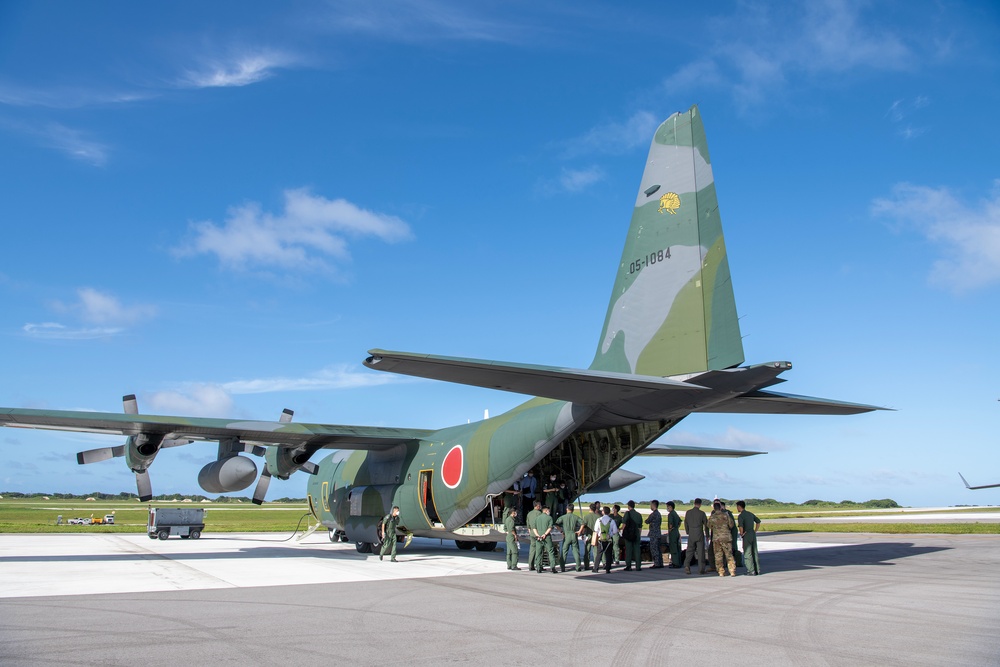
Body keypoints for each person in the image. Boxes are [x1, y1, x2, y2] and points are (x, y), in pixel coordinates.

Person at [708, 501, 736, 577]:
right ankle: (732, 571)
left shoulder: (712, 517)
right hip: (726, 538)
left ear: (714, 508)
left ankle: (721, 571)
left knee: (718, 556)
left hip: (716, 538)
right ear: (720, 507)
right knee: (729, 555)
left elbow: (709, 526)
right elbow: (731, 525)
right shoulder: (726, 515)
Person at [683, 498, 709, 574]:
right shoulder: (702, 513)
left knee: (689, 550)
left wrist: (688, 531)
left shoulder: (688, 512)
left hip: (691, 533)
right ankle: (701, 569)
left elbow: (686, 523)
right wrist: (707, 535)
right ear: (700, 504)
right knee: (701, 552)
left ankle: (687, 565)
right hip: (699, 533)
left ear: (694, 503)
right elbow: (706, 525)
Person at [555, 503, 583, 572]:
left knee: (564, 552)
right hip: (573, 534)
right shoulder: (576, 517)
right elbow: (583, 523)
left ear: (567, 509)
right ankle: (578, 566)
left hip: (566, 535)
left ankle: (562, 567)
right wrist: (579, 531)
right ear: (573, 510)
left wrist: (561, 531)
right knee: (576, 551)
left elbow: (556, 524)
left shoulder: (563, 517)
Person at [737, 501, 762, 575]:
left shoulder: (741, 516)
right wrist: (755, 531)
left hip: (746, 534)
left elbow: (741, 526)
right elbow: (758, 522)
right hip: (752, 533)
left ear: (739, 507)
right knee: (754, 551)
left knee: (747, 552)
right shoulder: (750, 514)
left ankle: (751, 570)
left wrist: (741, 534)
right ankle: (757, 569)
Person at [591, 506, 619, 573]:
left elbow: (595, 530)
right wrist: (610, 534)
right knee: (608, 555)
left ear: (603, 512)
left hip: (601, 540)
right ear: (609, 513)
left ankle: (595, 568)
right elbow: (615, 531)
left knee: (599, 554)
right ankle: (608, 569)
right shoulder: (611, 521)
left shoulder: (599, 520)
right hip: (608, 540)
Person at [532, 506, 559, 573]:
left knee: (538, 552)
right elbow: (550, 528)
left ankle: (538, 567)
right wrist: (545, 534)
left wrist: (537, 535)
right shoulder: (549, 518)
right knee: (550, 551)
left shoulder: (537, 518)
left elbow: (534, 528)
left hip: (538, 537)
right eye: (548, 511)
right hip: (546, 537)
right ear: (546, 511)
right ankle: (552, 567)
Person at [621, 500, 643, 571]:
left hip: (629, 534)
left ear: (628, 506)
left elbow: (624, 524)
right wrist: (639, 535)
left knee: (628, 550)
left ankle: (628, 566)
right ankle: (638, 566)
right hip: (636, 533)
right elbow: (640, 527)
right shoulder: (639, 515)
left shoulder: (627, 513)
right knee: (637, 550)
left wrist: (622, 531)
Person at [581, 502, 599, 570]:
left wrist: (582, 534)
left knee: (587, 551)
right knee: (595, 551)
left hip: (588, 535)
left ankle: (586, 565)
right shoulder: (598, 517)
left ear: (590, 508)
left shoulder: (586, 517)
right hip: (596, 535)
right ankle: (595, 565)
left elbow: (584, 526)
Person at [646, 500, 663, 568]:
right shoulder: (658, 514)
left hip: (654, 534)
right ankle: (660, 563)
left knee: (654, 549)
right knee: (658, 549)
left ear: (653, 505)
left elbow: (647, 521)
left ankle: (656, 564)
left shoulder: (653, 514)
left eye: (651, 505)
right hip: (658, 533)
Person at [525, 500, 542, 568]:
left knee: (532, 549)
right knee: (539, 549)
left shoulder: (529, 513)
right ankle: (539, 565)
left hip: (532, 533)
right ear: (537, 506)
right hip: (538, 533)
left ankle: (530, 565)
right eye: (540, 505)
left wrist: (530, 531)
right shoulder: (539, 513)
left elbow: (528, 524)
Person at [666, 501, 682, 568]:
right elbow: (680, 521)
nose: (667, 508)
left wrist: (670, 530)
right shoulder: (675, 513)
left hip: (672, 533)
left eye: (667, 507)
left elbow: (670, 524)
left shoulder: (671, 514)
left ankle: (675, 563)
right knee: (677, 548)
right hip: (676, 531)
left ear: (670, 507)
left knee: (673, 548)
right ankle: (678, 562)